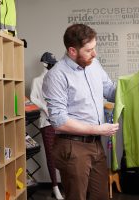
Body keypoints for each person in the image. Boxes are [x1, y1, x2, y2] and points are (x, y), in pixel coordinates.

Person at [42, 24, 119, 200]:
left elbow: (112, 92)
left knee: (101, 196)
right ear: (72, 51)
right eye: (89, 50)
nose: (95, 53)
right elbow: (59, 121)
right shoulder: (56, 76)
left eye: (94, 48)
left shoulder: (95, 65)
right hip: (72, 147)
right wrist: (98, 129)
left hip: (96, 145)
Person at [30, 52, 64, 200]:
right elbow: (32, 97)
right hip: (46, 122)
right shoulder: (37, 80)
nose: (53, 65)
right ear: (44, 63)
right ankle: (55, 188)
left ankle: (65, 185)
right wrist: (44, 107)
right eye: (50, 62)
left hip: (61, 122)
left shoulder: (57, 79)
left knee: (63, 154)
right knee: (51, 155)